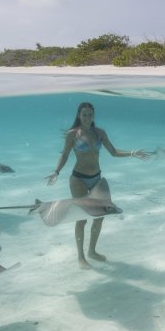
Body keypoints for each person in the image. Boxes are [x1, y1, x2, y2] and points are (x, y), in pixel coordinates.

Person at [46, 102, 149, 269]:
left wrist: (132, 153)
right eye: (84, 114)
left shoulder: (100, 133)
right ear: (79, 115)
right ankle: (81, 257)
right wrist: (56, 171)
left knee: (100, 216)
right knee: (81, 218)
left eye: (90, 115)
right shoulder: (73, 134)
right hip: (78, 178)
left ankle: (92, 251)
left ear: (94, 116)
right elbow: (64, 155)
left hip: (96, 178)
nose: (87, 118)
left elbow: (114, 152)